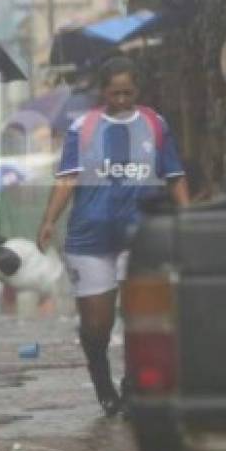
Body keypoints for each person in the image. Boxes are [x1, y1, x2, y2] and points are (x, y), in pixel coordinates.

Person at [36, 57, 189, 416]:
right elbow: (67, 178)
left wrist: (186, 217)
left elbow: (175, 175)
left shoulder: (155, 125)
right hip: (90, 238)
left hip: (140, 238)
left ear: (137, 91)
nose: (121, 99)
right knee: (97, 324)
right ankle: (101, 380)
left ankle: (133, 383)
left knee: (140, 318)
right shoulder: (83, 128)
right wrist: (49, 219)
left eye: (128, 92)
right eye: (115, 92)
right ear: (103, 92)